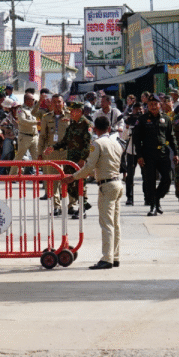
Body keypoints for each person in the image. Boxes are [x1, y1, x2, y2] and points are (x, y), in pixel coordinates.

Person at [62, 116, 124, 270]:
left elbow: (89, 167)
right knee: (115, 223)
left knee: (107, 223)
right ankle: (115, 256)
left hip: (106, 185)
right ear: (109, 128)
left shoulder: (97, 144)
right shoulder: (116, 143)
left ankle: (107, 258)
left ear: (95, 129)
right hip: (117, 183)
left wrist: (73, 177)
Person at [133, 94, 178, 216]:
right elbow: (137, 139)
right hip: (148, 154)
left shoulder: (166, 119)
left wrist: (176, 153)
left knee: (167, 178)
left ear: (160, 105)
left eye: (155, 104)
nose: (153, 106)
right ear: (147, 106)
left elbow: (171, 137)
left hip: (163, 153)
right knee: (150, 181)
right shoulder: (142, 119)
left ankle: (157, 198)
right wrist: (139, 156)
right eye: (150, 104)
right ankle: (153, 206)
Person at [54, 101, 93, 218]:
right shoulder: (72, 125)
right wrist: (53, 147)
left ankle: (82, 209)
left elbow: (88, 145)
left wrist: (83, 159)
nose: (70, 113)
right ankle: (84, 204)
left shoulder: (86, 124)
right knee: (69, 184)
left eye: (72, 111)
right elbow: (65, 141)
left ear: (79, 111)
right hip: (70, 160)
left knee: (81, 183)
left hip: (80, 160)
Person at [38, 94, 70, 215]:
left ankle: (72, 205)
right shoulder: (46, 117)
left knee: (70, 179)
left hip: (67, 152)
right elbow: (42, 137)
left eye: (59, 101)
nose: (57, 104)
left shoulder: (69, 116)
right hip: (51, 153)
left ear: (63, 103)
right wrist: (40, 153)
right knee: (53, 181)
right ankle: (56, 206)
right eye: (54, 102)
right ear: (51, 104)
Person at [9, 93, 40, 176]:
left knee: (37, 157)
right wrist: (36, 123)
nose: (34, 101)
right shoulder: (21, 110)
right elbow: (23, 121)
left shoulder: (32, 109)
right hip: (25, 136)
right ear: (27, 100)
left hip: (34, 136)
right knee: (19, 156)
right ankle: (12, 175)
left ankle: (40, 176)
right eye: (32, 100)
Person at [120, 102, 141, 206]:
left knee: (147, 174)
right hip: (132, 150)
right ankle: (130, 197)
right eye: (136, 109)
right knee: (130, 175)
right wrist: (128, 127)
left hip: (143, 149)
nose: (138, 111)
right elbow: (124, 137)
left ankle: (148, 197)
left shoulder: (145, 119)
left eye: (140, 109)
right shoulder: (129, 120)